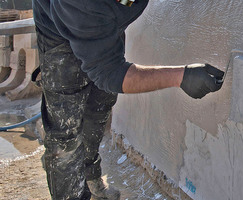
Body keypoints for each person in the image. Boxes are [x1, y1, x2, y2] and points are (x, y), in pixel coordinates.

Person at [32, 0, 224, 199]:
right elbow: (110, 73)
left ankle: (90, 176)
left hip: (100, 23)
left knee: (100, 105)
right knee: (66, 135)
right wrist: (181, 77)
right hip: (59, 34)